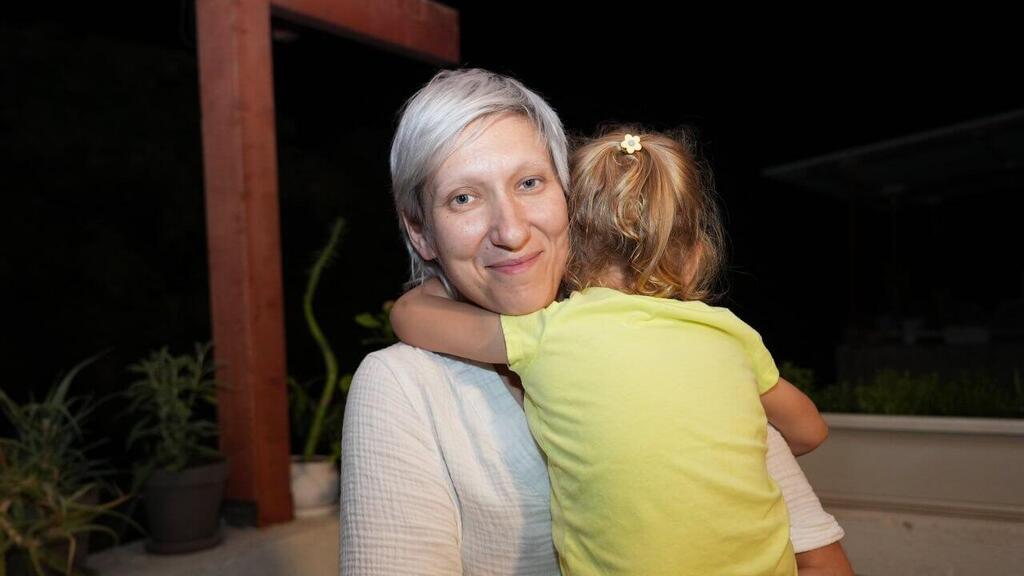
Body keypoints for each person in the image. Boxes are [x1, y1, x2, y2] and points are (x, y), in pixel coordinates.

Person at [340, 68, 853, 575]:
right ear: (421, 231)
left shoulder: (660, 344)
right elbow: (806, 429)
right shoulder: (402, 386)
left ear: (571, 201)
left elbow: (821, 558)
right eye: (463, 198)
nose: (512, 231)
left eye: (530, 182)